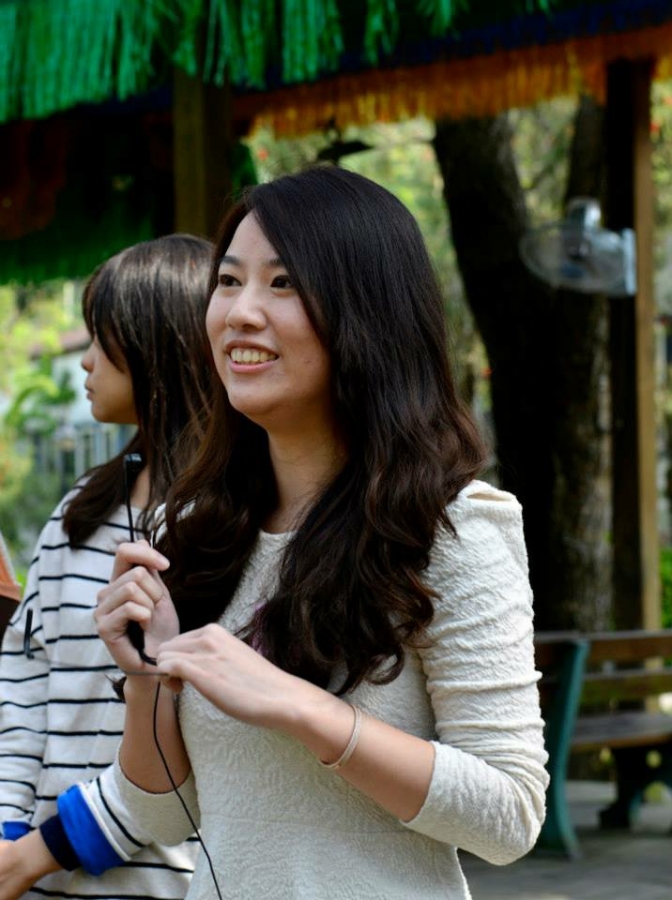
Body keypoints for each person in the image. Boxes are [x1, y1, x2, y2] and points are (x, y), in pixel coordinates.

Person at [95, 167, 549, 900]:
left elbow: (511, 813)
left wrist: (301, 708)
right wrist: (148, 677)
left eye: (283, 284)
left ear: (368, 312)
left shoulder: (447, 527)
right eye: (228, 281)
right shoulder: (201, 532)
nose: (240, 312)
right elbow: (162, 817)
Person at [0, 234, 214, 899]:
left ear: (160, 349)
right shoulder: (79, 509)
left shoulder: (224, 526)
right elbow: (22, 677)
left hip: (163, 882)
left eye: (103, 338)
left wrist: (42, 851)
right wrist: (7, 833)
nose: (86, 360)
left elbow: (196, 741)